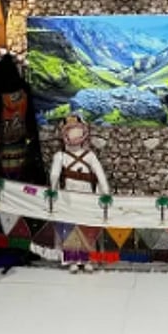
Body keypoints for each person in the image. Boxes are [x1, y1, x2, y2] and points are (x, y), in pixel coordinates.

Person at [49, 115, 109, 273]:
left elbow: (100, 175)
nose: (74, 135)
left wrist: (105, 192)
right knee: (70, 227)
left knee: (87, 226)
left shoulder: (90, 155)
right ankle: (72, 259)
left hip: (87, 196)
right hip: (68, 197)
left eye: (77, 131)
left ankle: (88, 258)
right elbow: (54, 175)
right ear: (64, 135)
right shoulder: (60, 156)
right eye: (71, 131)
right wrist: (53, 189)